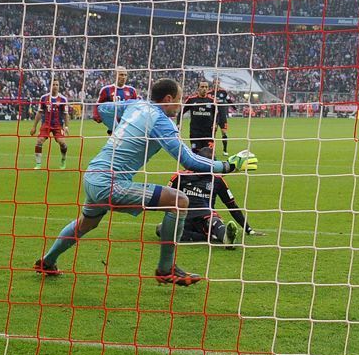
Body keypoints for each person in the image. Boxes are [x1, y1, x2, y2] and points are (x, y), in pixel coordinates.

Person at [33, 78, 257, 286]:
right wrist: (229, 166)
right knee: (179, 201)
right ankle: (166, 269)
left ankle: (47, 261)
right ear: (168, 99)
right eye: (178, 99)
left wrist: (119, 127)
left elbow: (104, 108)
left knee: (86, 224)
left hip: (93, 175)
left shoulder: (137, 105)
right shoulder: (161, 121)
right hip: (110, 183)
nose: (180, 105)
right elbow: (189, 159)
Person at [158, 147, 264, 248]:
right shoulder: (181, 176)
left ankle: (226, 238)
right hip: (184, 218)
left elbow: (231, 205)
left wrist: (248, 229)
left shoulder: (217, 180)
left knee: (214, 222)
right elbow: (167, 196)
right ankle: (209, 237)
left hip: (205, 217)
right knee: (160, 228)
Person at [30, 79, 69, 170]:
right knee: (39, 141)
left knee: (62, 143)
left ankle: (63, 159)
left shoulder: (63, 99)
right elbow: (39, 113)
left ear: (59, 86)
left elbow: (65, 114)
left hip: (58, 125)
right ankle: (38, 164)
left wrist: (66, 126)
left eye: (57, 84)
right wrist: (34, 126)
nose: (55, 86)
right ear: (50, 86)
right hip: (46, 124)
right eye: (53, 84)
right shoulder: (44, 98)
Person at [93, 66, 139, 133]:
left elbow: (136, 107)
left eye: (125, 75)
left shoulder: (132, 90)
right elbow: (98, 105)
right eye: (121, 75)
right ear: (115, 75)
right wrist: (97, 116)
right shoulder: (106, 89)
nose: (123, 77)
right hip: (113, 125)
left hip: (127, 125)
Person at [179, 80, 221, 152]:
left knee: (209, 154)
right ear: (198, 88)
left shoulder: (212, 101)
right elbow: (181, 112)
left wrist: (216, 124)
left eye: (206, 87)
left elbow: (217, 114)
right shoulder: (191, 100)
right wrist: (178, 123)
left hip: (208, 133)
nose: (204, 88)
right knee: (196, 153)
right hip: (195, 133)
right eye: (202, 87)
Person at [210, 77, 231, 156]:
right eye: (215, 82)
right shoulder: (209, 93)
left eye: (218, 83)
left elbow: (229, 100)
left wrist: (234, 107)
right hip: (213, 116)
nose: (217, 84)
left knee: (224, 133)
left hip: (222, 116)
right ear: (213, 83)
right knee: (213, 133)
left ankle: (225, 150)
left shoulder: (223, 92)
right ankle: (212, 150)